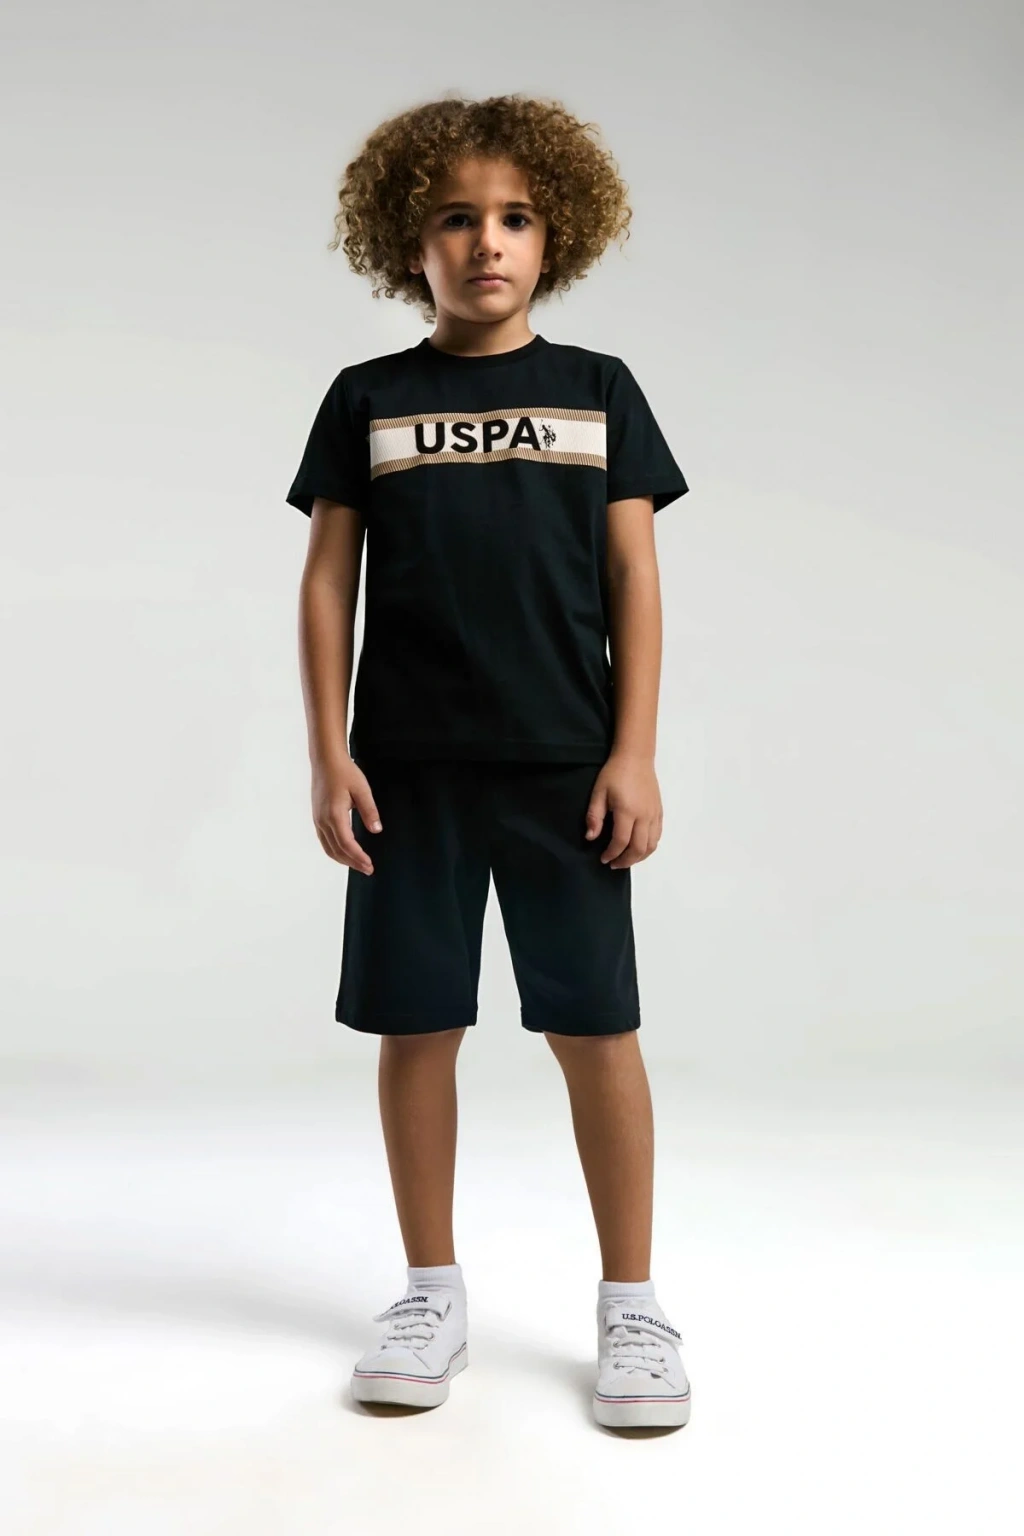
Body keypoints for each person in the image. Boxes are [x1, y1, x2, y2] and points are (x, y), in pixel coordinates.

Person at [285, 93, 692, 1431]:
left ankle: (633, 1306)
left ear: (554, 235)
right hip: (406, 773)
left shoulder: (599, 390)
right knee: (419, 1024)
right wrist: (329, 753)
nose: (487, 242)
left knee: (596, 1030)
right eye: (456, 218)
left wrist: (634, 751)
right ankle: (429, 1293)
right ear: (408, 242)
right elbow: (327, 583)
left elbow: (633, 577)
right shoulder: (368, 399)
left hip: (568, 770)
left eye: (514, 217)